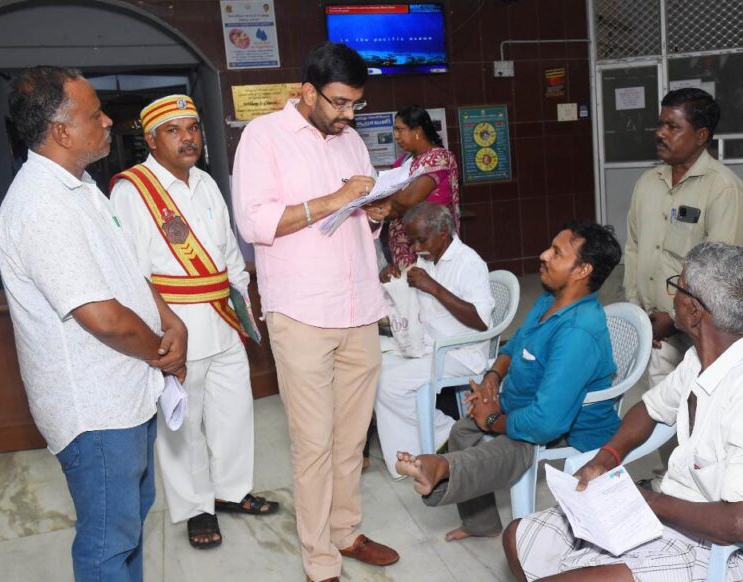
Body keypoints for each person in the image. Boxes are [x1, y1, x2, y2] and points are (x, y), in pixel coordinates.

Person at [504, 242, 743, 582]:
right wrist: (606, 459)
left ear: (694, 311)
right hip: (679, 512)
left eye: (677, 286)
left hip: (737, 554)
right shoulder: (702, 359)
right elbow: (649, 408)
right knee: (519, 537)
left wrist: (644, 501)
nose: (672, 297)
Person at [0, 66, 187, 581]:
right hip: (95, 412)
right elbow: (102, 317)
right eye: (95, 114)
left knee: (128, 527)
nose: (107, 121)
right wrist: (164, 353)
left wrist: (169, 319)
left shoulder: (80, 187)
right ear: (61, 131)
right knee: (108, 544)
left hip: (126, 393)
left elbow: (125, 272)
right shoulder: (42, 206)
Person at [232, 42, 397, 582]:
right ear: (308, 92)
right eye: (339, 102)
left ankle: (346, 532)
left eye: (356, 104)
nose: (349, 114)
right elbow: (254, 222)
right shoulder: (264, 137)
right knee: (313, 445)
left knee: (352, 440)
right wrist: (334, 198)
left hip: (359, 308)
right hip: (302, 313)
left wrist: (375, 211)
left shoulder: (351, 142)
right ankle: (319, 558)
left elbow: (359, 219)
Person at [109, 94, 278, 550]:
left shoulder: (205, 181)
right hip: (176, 327)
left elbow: (227, 251)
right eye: (173, 130)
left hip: (223, 320)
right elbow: (131, 274)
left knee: (234, 412)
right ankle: (195, 508)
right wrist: (158, 334)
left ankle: (231, 492)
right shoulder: (133, 190)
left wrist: (241, 303)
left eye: (193, 128)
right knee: (182, 426)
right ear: (151, 140)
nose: (187, 138)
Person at [394, 220, 622, 543]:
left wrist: (492, 419)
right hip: (525, 404)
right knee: (462, 431)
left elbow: (546, 423)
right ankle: (480, 522)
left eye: (556, 253)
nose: (543, 255)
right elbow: (515, 345)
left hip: (567, 429)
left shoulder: (578, 332)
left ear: (583, 270)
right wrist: (493, 377)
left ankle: (442, 468)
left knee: (509, 448)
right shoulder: (550, 300)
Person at [624, 88, 743, 393]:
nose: (660, 133)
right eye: (660, 124)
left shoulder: (724, 188)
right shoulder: (647, 183)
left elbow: (720, 272)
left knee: (704, 405)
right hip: (657, 331)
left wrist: (673, 317)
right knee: (662, 407)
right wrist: (637, 311)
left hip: (703, 332)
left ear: (701, 135)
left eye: (673, 127)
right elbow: (633, 248)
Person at [374, 202, 494, 478]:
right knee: (373, 368)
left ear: (443, 232)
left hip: (460, 353)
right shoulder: (428, 258)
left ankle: (445, 432)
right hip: (429, 344)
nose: (416, 248)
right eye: (412, 241)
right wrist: (395, 279)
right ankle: (419, 448)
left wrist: (434, 287)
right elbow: (416, 299)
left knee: (388, 384)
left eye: (421, 240)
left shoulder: (469, 262)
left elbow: (481, 320)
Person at [385, 105, 460, 268]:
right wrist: (390, 202)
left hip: (428, 242)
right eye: (395, 130)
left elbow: (409, 200)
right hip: (402, 243)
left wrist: (387, 197)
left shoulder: (438, 157)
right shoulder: (403, 161)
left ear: (418, 130)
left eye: (400, 130)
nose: (396, 136)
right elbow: (390, 208)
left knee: (429, 281)